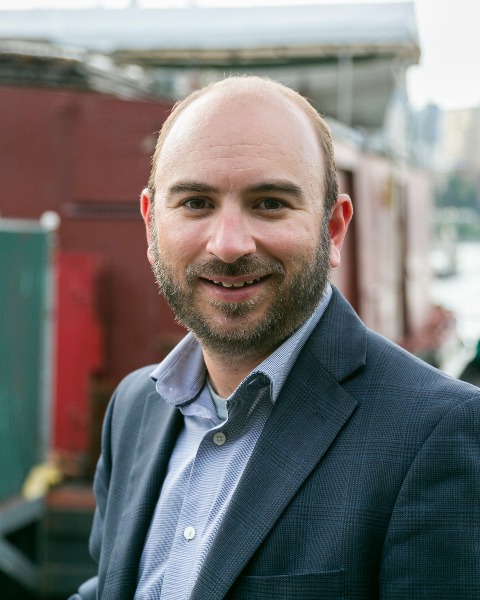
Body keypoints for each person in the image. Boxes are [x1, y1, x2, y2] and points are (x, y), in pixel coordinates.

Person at [70, 76, 480, 600]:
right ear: (151, 226)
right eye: (195, 203)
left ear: (333, 229)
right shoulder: (133, 407)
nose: (228, 245)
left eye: (269, 203)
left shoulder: (438, 434)